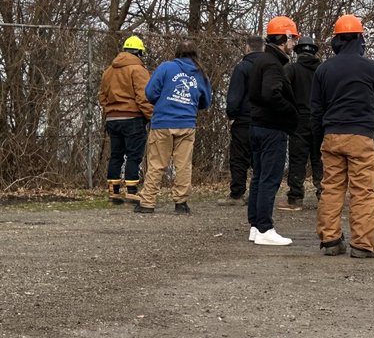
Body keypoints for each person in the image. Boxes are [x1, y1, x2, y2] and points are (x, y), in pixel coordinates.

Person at [311, 14, 374, 258]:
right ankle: (363, 244)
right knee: (363, 190)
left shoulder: (323, 69)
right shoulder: (370, 67)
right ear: (359, 38)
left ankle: (330, 240)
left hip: (331, 135)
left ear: (336, 39)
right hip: (360, 136)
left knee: (331, 188)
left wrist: (319, 139)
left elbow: (316, 109)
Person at [133, 41, 212, 215]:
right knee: (183, 165)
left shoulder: (166, 67)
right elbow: (206, 101)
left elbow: (150, 92)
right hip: (186, 124)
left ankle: (147, 202)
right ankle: (181, 203)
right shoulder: (200, 73)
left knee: (156, 164)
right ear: (195, 54)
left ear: (177, 53)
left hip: (162, 122)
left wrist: (163, 101)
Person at [246, 16, 300, 247]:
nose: (294, 43)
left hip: (257, 126)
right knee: (269, 179)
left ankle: (256, 226)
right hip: (271, 129)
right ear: (284, 38)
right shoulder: (273, 64)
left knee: (259, 177)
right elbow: (271, 94)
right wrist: (291, 112)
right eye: (293, 38)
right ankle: (265, 228)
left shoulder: (261, 60)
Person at [98, 35, 154, 204]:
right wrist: (151, 116)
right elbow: (144, 97)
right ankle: (132, 191)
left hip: (112, 119)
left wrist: (110, 111)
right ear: (139, 52)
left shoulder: (109, 71)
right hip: (133, 118)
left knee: (116, 155)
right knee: (133, 155)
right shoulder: (138, 70)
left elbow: (102, 96)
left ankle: (113, 192)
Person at [280, 36, 322, 211]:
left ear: (298, 52)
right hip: (320, 119)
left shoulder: (291, 70)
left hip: (299, 119)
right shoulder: (322, 70)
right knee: (320, 158)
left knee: (297, 159)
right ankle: (324, 197)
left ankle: (295, 198)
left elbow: (281, 91)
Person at [224, 35, 264, 204]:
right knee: (260, 158)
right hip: (264, 120)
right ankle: (259, 193)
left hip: (243, 119)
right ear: (263, 48)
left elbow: (235, 95)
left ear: (247, 48)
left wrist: (232, 115)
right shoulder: (269, 67)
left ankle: (237, 193)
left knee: (239, 157)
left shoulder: (242, 68)